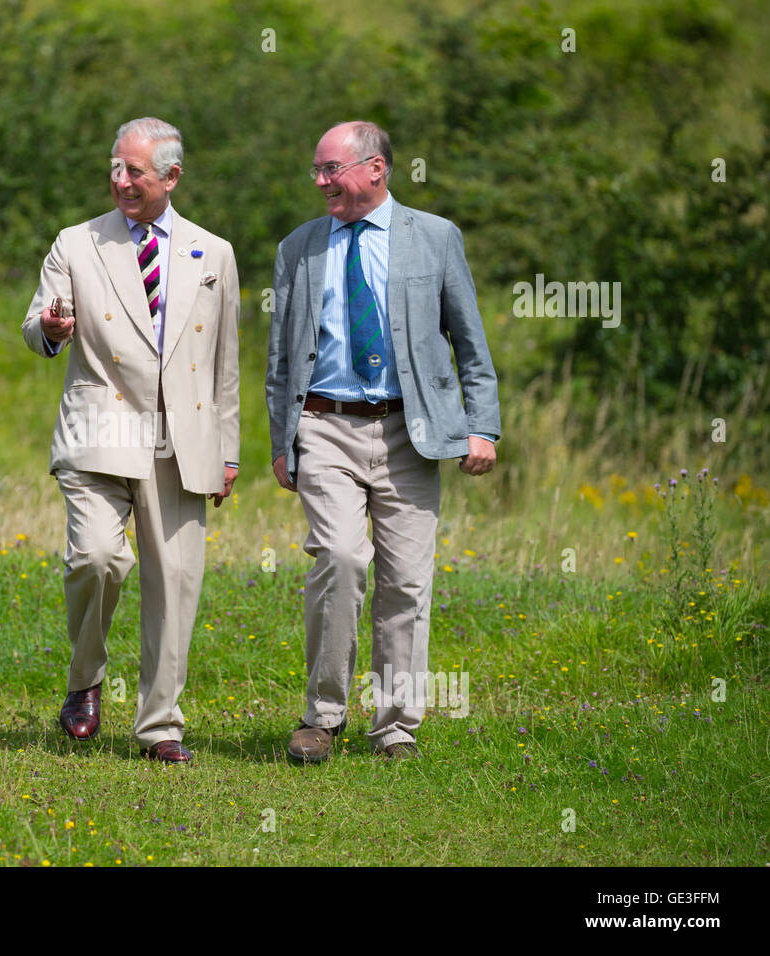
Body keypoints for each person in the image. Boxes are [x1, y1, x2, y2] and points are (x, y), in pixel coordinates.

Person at [266, 121, 500, 762]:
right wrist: (282, 440)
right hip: (325, 426)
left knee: (407, 582)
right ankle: (322, 716)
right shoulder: (299, 248)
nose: (319, 182)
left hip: (411, 431)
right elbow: (282, 358)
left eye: (330, 169)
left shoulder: (435, 238)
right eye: (315, 170)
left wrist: (481, 425)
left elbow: (469, 343)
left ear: (376, 169)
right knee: (340, 558)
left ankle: (395, 727)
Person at [23, 118, 240, 763]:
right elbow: (37, 326)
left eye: (135, 172)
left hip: (183, 439)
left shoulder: (214, 254)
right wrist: (54, 328)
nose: (120, 181)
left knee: (175, 581)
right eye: (114, 167)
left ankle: (159, 729)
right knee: (98, 558)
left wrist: (227, 450)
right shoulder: (76, 243)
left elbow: (224, 362)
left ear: (171, 177)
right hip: (99, 430)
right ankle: (85, 678)